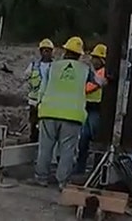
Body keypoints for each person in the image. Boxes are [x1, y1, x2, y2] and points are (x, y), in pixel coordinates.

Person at [33, 36, 91, 190]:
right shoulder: (85, 70)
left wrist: (38, 105)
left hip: (49, 112)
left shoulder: (54, 67)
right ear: (79, 54)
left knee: (45, 148)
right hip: (72, 116)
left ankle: (41, 178)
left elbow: (42, 87)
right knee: (67, 150)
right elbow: (98, 82)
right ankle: (62, 182)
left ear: (65, 51)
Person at [75, 43, 109, 176]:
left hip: (96, 109)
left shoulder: (102, 72)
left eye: (95, 58)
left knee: (93, 139)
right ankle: (82, 169)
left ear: (102, 60)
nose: (92, 60)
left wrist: (81, 88)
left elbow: (89, 87)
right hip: (88, 108)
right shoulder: (94, 72)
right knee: (84, 140)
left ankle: (94, 169)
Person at [21, 38, 55, 143]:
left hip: (49, 102)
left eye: (48, 50)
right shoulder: (34, 66)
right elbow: (25, 78)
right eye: (44, 50)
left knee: (47, 126)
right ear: (40, 51)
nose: (46, 52)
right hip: (34, 101)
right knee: (34, 125)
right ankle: (33, 142)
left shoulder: (55, 67)